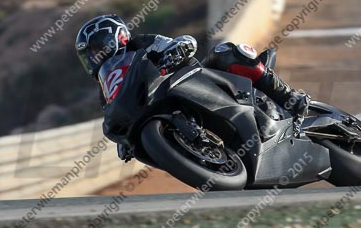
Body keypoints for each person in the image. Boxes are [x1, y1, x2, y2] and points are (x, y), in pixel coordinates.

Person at [75, 14, 309, 158]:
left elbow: (183, 42)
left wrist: (179, 47)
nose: (94, 58)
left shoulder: (141, 43)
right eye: (89, 55)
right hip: (162, 106)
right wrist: (124, 141)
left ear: (113, 37)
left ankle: (289, 98)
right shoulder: (105, 89)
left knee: (226, 53)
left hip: (197, 80)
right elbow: (114, 113)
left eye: (96, 49)